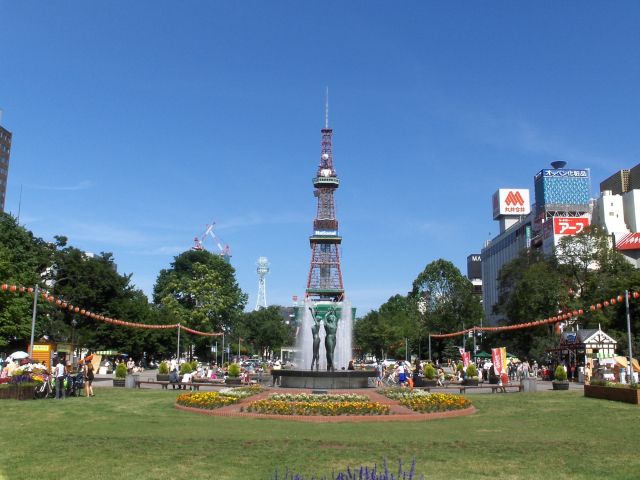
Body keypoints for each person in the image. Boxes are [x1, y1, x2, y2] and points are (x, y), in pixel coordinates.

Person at [323, 307, 338, 371]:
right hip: (329, 337)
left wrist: (334, 311)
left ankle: (329, 365)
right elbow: (325, 316)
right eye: (331, 317)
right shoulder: (327, 324)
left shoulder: (335, 323)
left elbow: (336, 317)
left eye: (333, 317)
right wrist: (328, 312)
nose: (333, 317)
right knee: (330, 352)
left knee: (332, 352)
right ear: (329, 319)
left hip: (334, 338)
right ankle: (332, 365)